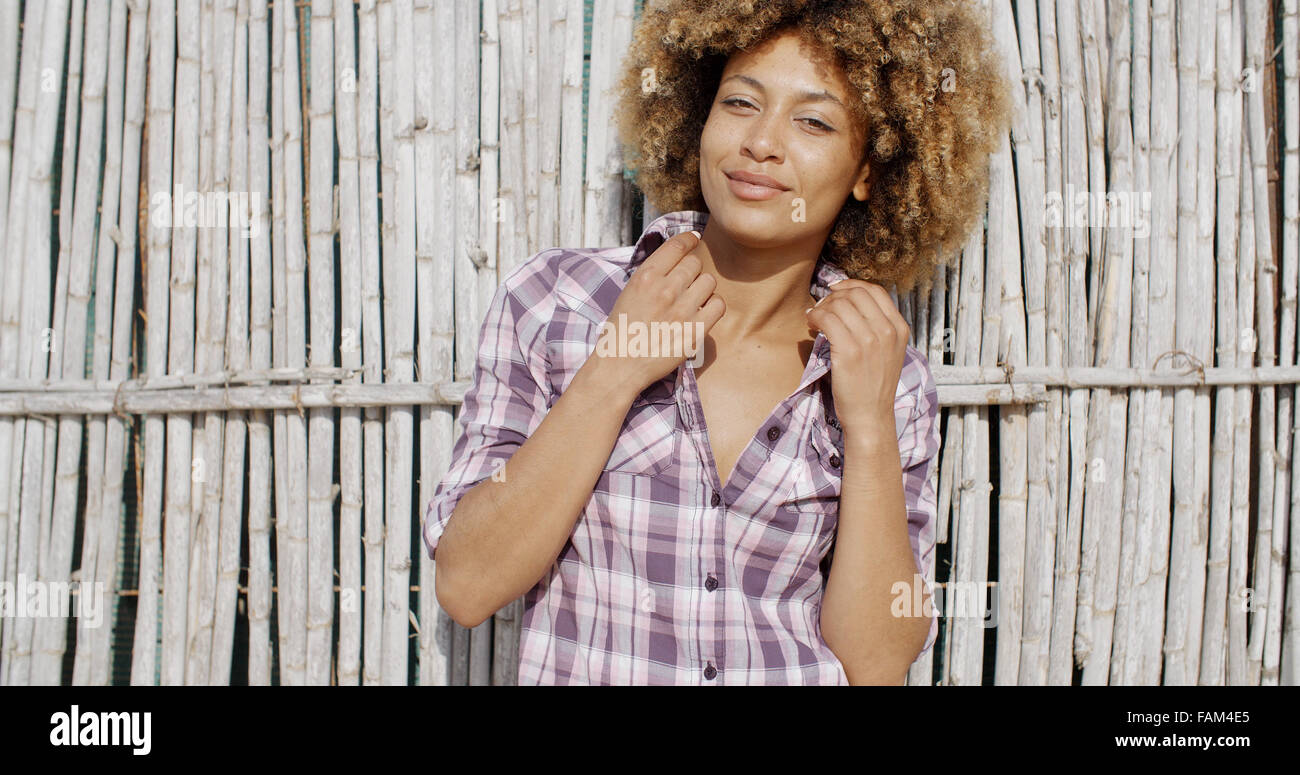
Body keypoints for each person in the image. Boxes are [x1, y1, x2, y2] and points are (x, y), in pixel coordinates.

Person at [423, 0, 1012, 685]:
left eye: (813, 120)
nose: (761, 141)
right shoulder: (555, 300)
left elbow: (875, 663)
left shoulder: (887, 375)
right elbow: (467, 584)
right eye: (739, 103)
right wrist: (616, 368)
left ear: (867, 172)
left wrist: (871, 426)